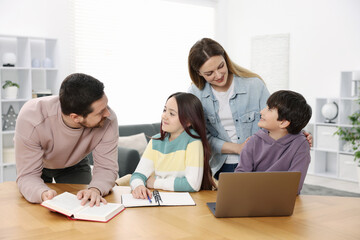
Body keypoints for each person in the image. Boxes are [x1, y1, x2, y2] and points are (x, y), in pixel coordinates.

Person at [188, 38, 312, 179]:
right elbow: (200, 135)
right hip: (220, 164)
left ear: (225, 59)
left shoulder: (254, 85)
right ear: (198, 73)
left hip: (260, 161)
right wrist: (238, 148)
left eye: (221, 66)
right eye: (209, 73)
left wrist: (298, 131)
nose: (218, 75)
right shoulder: (195, 94)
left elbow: (275, 118)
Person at [15, 73, 119, 206]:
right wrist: (41, 193)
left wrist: (95, 189)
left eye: (106, 106)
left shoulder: (108, 120)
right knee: (37, 210)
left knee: (83, 205)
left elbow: (106, 168)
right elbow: (27, 175)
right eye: (100, 112)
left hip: (75, 163)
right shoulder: (31, 118)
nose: (108, 113)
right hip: (37, 163)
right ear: (75, 117)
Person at [130, 92, 215, 199]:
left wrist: (155, 183)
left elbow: (192, 185)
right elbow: (138, 175)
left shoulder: (193, 141)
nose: (164, 116)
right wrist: (139, 186)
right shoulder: (156, 141)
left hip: (187, 205)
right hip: (159, 200)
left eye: (172, 114)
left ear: (188, 121)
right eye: (165, 110)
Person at [235, 90, 312, 194]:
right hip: (252, 196)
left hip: (282, 199)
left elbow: (294, 185)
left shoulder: (301, 145)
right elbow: (240, 177)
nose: (261, 111)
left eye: (270, 109)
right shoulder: (253, 141)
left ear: (283, 122)